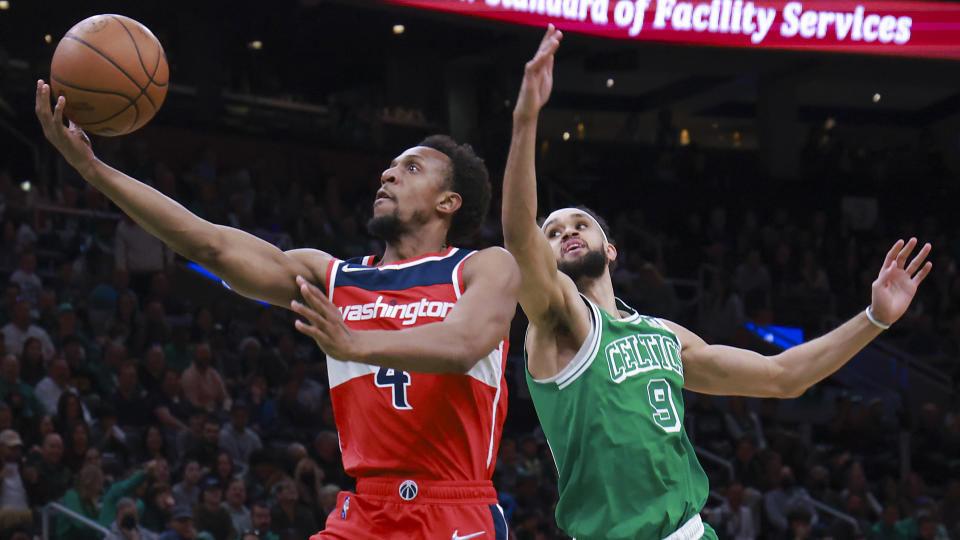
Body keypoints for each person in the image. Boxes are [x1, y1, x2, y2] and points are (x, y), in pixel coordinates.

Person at [501, 24, 934, 540]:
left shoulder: (667, 335)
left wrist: (874, 319)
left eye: (580, 225)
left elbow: (782, 377)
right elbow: (518, 236)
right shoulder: (558, 322)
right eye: (554, 232)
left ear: (610, 250)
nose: (567, 232)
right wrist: (527, 118)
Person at [36, 79, 519, 540]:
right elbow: (211, 245)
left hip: (454, 508)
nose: (388, 173)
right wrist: (93, 170)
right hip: (366, 509)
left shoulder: (482, 268)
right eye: (390, 166)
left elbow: (462, 344)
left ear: (448, 202)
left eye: (411, 168)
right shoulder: (331, 278)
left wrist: (356, 342)